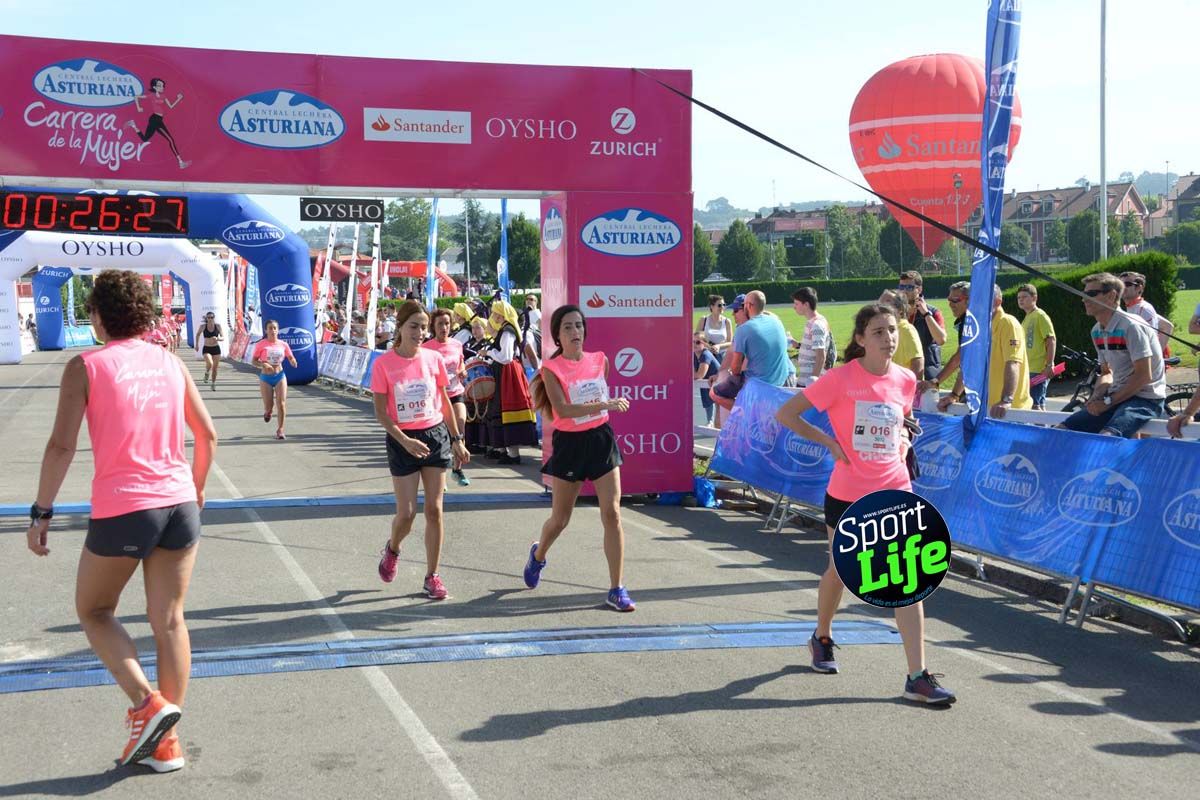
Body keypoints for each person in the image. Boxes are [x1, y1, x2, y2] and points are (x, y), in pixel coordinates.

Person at [27, 269, 217, 770]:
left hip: (126, 507)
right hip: (178, 504)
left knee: (94, 611)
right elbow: (208, 435)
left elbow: (61, 446)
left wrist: (42, 510)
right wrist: (195, 487)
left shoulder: (86, 364)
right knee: (169, 620)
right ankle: (166, 744)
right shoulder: (169, 361)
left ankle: (148, 703)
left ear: (96, 314)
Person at [774, 303, 956, 704]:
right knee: (839, 574)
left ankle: (917, 676)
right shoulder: (839, 379)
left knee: (908, 583)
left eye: (892, 330)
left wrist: (904, 439)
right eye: (878, 331)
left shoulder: (906, 380)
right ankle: (822, 635)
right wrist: (829, 444)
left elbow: (901, 423)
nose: (888, 338)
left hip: (895, 491)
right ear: (860, 339)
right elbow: (787, 413)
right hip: (848, 495)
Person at [525, 304, 635, 611]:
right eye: (568, 328)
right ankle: (538, 555)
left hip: (600, 439)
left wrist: (604, 408)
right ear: (558, 336)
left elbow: (599, 402)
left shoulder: (600, 360)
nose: (576, 332)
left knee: (612, 513)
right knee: (560, 520)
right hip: (570, 443)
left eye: (579, 326)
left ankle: (616, 588)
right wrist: (605, 403)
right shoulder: (551, 368)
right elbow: (563, 410)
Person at [371, 301, 471, 599]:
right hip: (403, 438)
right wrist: (405, 440)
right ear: (400, 328)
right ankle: (393, 548)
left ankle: (432, 576)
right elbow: (380, 412)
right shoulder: (383, 364)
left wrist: (457, 440)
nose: (420, 332)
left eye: (423, 327)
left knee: (434, 509)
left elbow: (443, 402)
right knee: (407, 514)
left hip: (435, 433)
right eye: (414, 326)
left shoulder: (433, 359)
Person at [1059, 272, 1165, 438]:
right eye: (1083, 294)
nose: (1083, 299)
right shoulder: (1096, 331)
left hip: (1145, 399)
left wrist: (1107, 402)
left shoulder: (1131, 326)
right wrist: (1096, 396)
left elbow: (1144, 375)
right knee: (1061, 430)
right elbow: (1107, 373)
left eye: (1091, 294)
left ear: (1112, 296)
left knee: (1107, 438)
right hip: (1117, 397)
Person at [921, 284, 1032, 418]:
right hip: (986, 408)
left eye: (981, 300)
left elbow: (1013, 363)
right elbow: (969, 363)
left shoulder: (1007, 323)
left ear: (997, 302)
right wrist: (955, 394)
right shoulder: (977, 326)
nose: (975, 305)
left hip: (1010, 411)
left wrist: (1006, 400)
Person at [712, 290, 796, 411]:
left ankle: (747, 413)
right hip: (782, 379)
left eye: (736, 310)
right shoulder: (773, 321)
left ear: (747, 308)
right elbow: (731, 354)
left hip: (764, 384)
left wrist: (730, 376)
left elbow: (736, 366)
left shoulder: (744, 330)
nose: (733, 314)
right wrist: (718, 373)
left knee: (716, 393)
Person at [482, 299, 539, 464]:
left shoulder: (508, 331)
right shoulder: (506, 329)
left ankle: (513, 454)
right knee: (501, 408)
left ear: (502, 314)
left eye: (496, 313)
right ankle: (505, 450)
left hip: (508, 372)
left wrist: (489, 352)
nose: (494, 316)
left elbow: (506, 357)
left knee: (507, 408)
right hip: (506, 372)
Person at [423, 308, 471, 486]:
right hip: (435, 396)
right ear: (433, 327)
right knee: (440, 434)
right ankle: (439, 477)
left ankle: (457, 469)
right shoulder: (426, 348)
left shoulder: (457, 344)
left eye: (447, 323)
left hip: (455, 391)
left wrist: (463, 371)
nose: (444, 327)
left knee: (460, 424)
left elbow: (460, 364)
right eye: (440, 324)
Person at [125, 78, 190, 169]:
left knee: (145, 139)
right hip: (155, 119)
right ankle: (180, 162)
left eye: (162, 85)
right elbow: (136, 97)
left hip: (158, 119)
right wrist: (138, 107)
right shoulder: (151, 95)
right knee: (170, 140)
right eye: (159, 85)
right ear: (154, 87)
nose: (162, 87)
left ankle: (133, 125)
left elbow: (171, 106)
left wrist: (178, 99)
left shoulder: (163, 96)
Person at [251, 321, 299, 440]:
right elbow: (253, 361)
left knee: (281, 404)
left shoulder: (283, 344)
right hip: (266, 378)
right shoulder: (261, 344)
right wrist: (263, 365)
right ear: (266, 330)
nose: (272, 331)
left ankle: (280, 430)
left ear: (278, 330)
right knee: (269, 406)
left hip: (280, 376)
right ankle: (268, 412)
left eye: (274, 328)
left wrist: (293, 361)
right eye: (270, 328)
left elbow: (290, 356)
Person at [896, 271, 946, 381]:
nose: (904, 291)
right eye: (901, 286)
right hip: (899, 373)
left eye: (909, 287)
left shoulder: (933, 312)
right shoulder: (894, 312)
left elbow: (941, 340)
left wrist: (926, 314)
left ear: (919, 289)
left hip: (926, 375)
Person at [1016, 284, 1057, 411]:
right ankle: (1043, 429)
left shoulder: (1040, 315)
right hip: (1029, 368)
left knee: (1035, 406)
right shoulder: (1027, 317)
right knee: (1038, 404)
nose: (1021, 300)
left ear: (1034, 298)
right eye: (1019, 298)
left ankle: (1041, 430)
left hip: (1039, 369)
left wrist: (1049, 365)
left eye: (1024, 297)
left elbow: (1051, 340)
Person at [1120, 271, 1174, 356]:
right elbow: (1167, 326)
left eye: (1127, 284)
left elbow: (1148, 341)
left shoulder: (1144, 309)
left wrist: (1157, 356)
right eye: (1120, 284)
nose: (1122, 287)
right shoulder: (1133, 307)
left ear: (1139, 288)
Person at [791, 287, 833, 386]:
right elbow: (814, 348)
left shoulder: (816, 325)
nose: (794, 307)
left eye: (796, 304)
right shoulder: (814, 321)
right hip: (806, 379)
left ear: (806, 305)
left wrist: (813, 381)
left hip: (809, 382)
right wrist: (797, 345)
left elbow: (821, 356)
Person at [878, 291, 924, 380]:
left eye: (885, 304)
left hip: (901, 388)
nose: (880, 308)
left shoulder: (907, 330)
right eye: (879, 303)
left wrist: (914, 389)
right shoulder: (879, 329)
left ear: (900, 311)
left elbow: (917, 361)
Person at [693, 331, 721, 425]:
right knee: (707, 401)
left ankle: (717, 426)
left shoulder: (706, 355)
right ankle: (710, 421)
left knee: (719, 405)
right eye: (692, 342)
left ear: (704, 344)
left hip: (718, 382)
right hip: (707, 381)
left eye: (698, 342)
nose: (694, 344)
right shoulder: (693, 355)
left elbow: (699, 375)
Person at [196, 312, 223, 390]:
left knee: (215, 368)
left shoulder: (218, 326)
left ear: (214, 318)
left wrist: (218, 338)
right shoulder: (203, 326)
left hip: (216, 348)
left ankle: (213, 383)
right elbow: (198, 334)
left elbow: (223, 337)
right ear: (206, 318)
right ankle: (207, 372)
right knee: (210, 363)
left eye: (211, 317)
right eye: (208, 317)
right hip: (207, 348)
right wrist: (197, 345)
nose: (210, 319)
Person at [521, 294, 543, 370]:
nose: (528, 301)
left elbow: (541, 328)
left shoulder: (537, 314)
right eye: (527, 299)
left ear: (536, 302)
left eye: (531, 299)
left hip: (534, 343)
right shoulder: (526, 313)